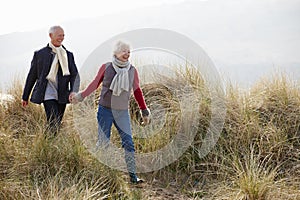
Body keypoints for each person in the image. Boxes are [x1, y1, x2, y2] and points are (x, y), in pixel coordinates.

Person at [71, 40, 150, 184]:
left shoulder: (132, 70)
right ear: (115, 53)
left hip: (122, 112)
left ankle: (133, 177)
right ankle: (96, 175)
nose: (127, 54)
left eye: (128, 51)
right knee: (103, 143)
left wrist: (144, 110)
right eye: (123, 51)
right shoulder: (106, 67)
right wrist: (80, 96)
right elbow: (95, 84)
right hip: (105, 111)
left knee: (129, 143)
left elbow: (137, 91)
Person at [22, 25, 80, 135]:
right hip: (47, 93)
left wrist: (73, 91)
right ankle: (48, 145)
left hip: (62, 93)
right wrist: (25, 96)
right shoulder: (40, 54)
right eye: (59, 35)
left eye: (63, 36)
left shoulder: (68, 55)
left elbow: (75, 76)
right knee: (53, 120)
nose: (61, 38)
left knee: (57, 122)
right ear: (50, 36)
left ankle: (49, 145)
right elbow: (32, 76)